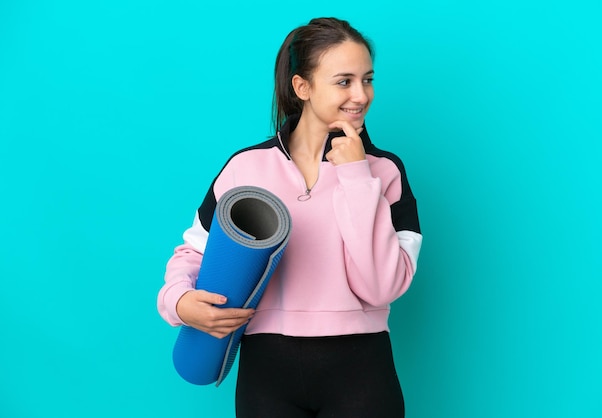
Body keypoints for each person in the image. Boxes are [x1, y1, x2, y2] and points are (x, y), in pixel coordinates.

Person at [157, 17, 422, 418]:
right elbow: (193, 253)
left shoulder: (385, 171)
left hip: (361, 371)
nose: (361, 95)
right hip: (266, 373)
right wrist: (178, 301)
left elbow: (381, 287)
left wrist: (356, 176)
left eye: (367, 80)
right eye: (344, 81)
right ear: (303, 87)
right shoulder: (245, 167)